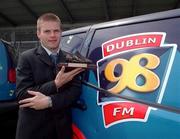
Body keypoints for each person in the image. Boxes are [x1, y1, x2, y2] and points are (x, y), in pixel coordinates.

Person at [15, 13, 84, 139]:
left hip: (62, 130)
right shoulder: (26, 57)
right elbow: (22, 94)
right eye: (47, 31)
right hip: (34, 130)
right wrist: (55, 84)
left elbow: (75, 91)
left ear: (61, 32)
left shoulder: (72, 58)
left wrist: (50, 101)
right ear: (38, 33)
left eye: (56, 31)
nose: (52, 35)